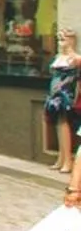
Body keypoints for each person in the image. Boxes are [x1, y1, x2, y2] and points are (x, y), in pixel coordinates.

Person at [45, 29, 80, 172]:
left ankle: (68, 160)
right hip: (54, 93)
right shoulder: (58, 57)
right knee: (58, 124)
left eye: (63, 39)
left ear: (72, 40)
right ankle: (61, 157)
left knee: (65, 124)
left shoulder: (75, 58)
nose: (61, 43)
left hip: (66, 94)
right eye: (59, 40)